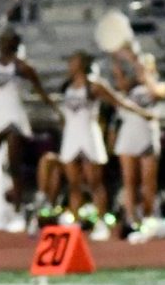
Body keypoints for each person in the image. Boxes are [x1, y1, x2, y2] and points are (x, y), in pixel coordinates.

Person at [0, 29, 60, 242]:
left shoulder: (22, 66)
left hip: (15, 116)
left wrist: (55, 109)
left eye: (5, 41)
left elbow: (39, 89)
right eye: (0, 40)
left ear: (14, 43)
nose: (1, 44)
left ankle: (17, 212)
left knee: (14, 164)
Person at [57, 50, 153, 241]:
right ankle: (75, 220)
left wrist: (142, 113)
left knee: (95, 182)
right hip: (71, 136)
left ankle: (101, 222)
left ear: (82, 64)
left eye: (73, 61)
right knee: (73, 183)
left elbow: (119, 101)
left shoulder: (94, 86)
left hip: (88, 134)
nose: (70, 65)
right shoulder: (67, 86)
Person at [110, 49, 165, 243]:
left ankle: (148, 217)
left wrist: (145, 74)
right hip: (129, 135)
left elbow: (157, 93)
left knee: (148, 183)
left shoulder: (159, 85)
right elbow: (119, 82)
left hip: (147, 136)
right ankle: (131, 219)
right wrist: (118, 58)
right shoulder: (131, 87)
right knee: (129, 182)